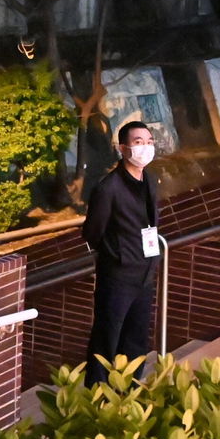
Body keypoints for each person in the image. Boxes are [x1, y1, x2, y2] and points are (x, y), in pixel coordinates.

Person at [81, 120, 161, 386]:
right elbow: (92, 232)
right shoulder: (108, 188)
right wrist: (117, 252)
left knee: (136, 338)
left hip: (145, 273)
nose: (145, 147)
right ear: (122, 148)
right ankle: (96, 395)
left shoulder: (147, 179)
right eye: (138, 142)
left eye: (149, 141)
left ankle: (129, 390)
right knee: (107, 337)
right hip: (118, 275)